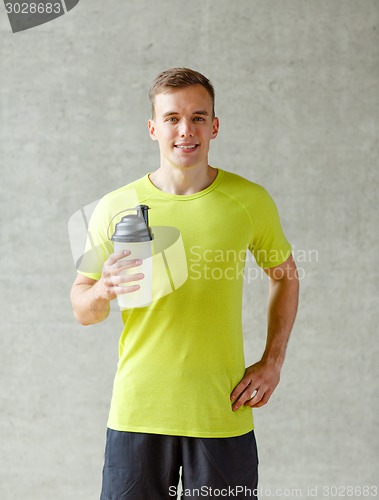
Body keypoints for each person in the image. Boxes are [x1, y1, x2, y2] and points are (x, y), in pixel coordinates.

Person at [70, 67, 299, 499]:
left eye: (198, 117)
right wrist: (102, 291)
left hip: (220, 411)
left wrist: (273, 361)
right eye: (172, 118)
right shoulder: (116, 206)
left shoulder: (248, 201)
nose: (185, 130)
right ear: (153, 127)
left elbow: (285, 276)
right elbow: (82, 307)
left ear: (214, 125)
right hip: (138, 412)